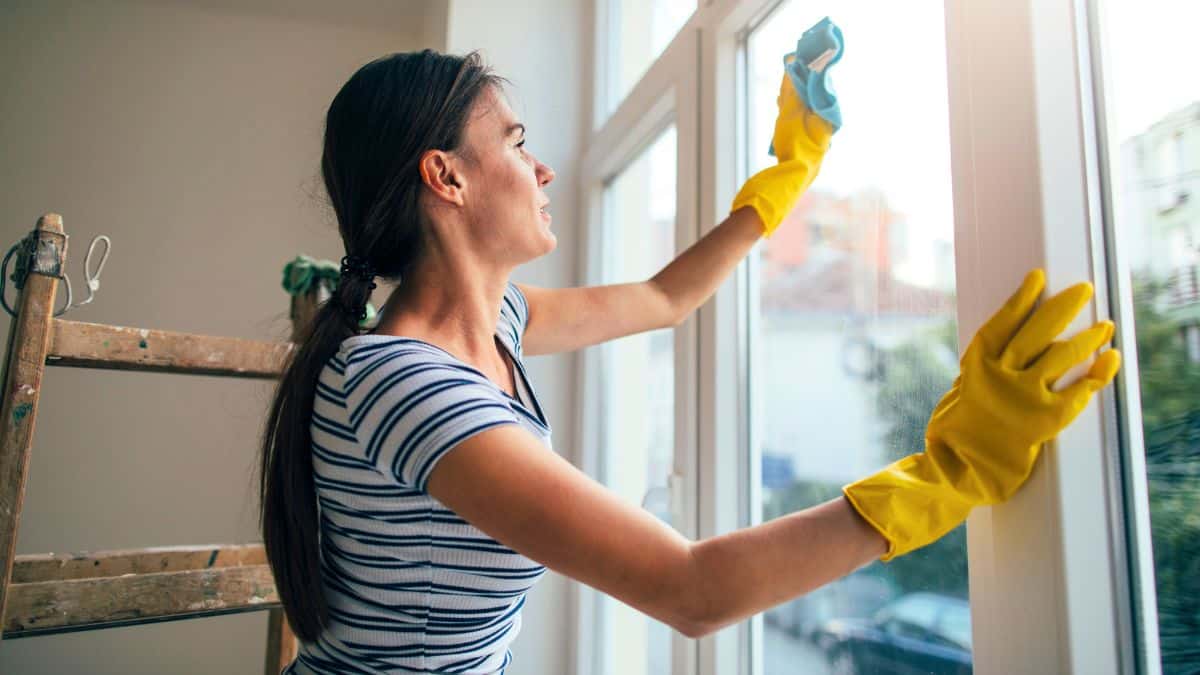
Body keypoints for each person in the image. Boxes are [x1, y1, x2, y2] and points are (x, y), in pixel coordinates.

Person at [258, 49, 1121, 674]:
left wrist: (787, 173)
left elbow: (666, 297)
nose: (543, 166)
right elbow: (692, 589)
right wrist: (948, 472)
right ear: (446, 177)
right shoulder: (406, 385)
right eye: (517, 143)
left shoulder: (497, 325)